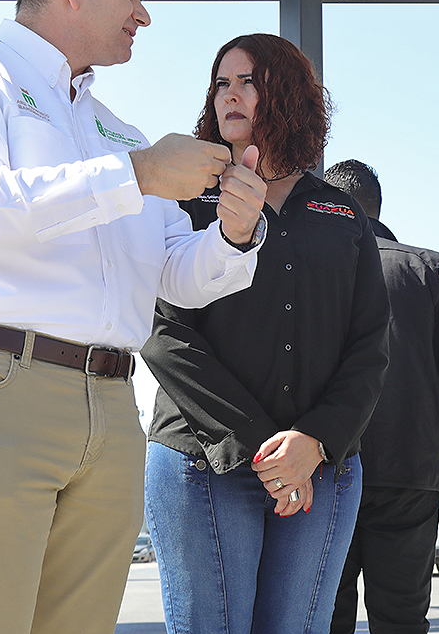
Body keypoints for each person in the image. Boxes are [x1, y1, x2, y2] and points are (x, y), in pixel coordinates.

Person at [0, 0, 267, 634]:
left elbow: (173, 276)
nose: (144, 13)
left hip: (110, 411)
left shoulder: (119, 131)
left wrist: (235, 237)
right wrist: (138, 174)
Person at [140, 33, 390, 634]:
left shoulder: (341, 213)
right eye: (221, 83)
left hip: (320, 468)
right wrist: (263, 450)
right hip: (203, 462)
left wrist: (313, 442)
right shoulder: (181, 197)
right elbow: (161, 331)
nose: (230, 95)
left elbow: (371, 347)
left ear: (291, 96)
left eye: (247, 81)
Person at [323, 159, 439, 634]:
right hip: (411, 477)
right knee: (401, 621)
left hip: (323, 468)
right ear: (378, 206)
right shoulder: (427, 270)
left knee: (323, 618)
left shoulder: (309, 266)